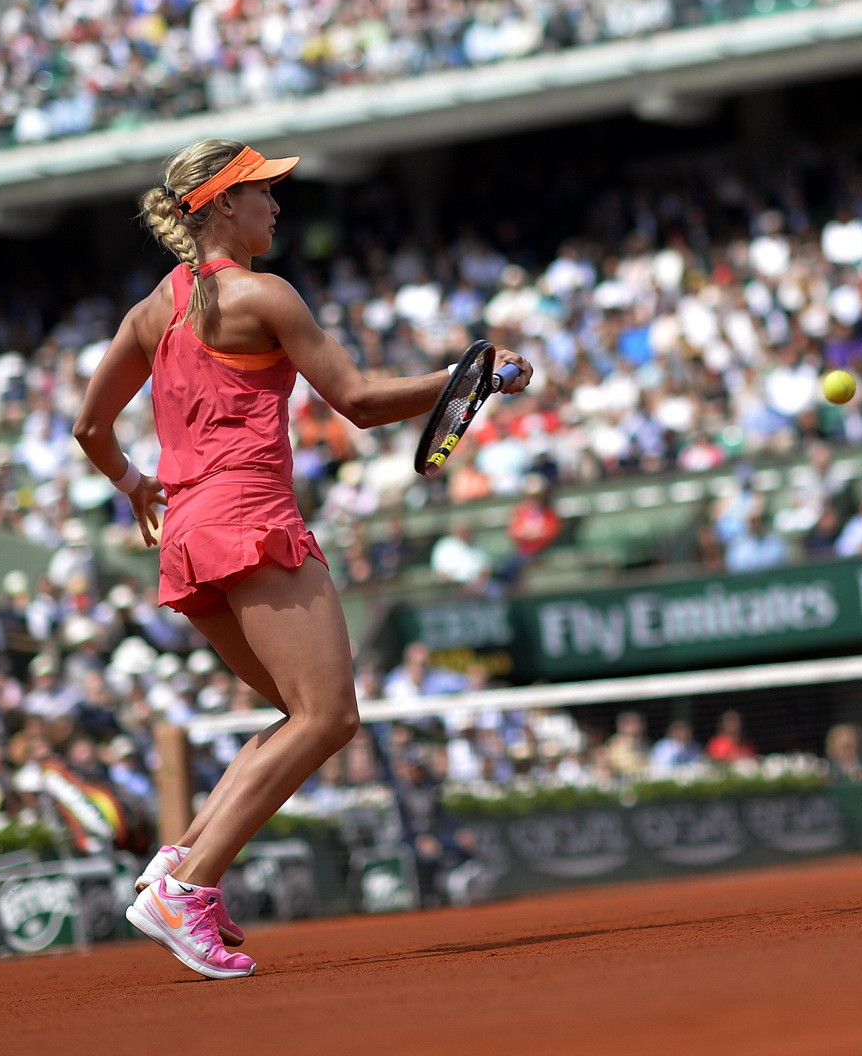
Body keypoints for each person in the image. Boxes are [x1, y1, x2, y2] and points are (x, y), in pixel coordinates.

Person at [73, 137, 532, 978]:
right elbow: (356, 402)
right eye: (261, 193)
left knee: (298, 715)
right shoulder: (264, 295)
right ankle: (191, 885)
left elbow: (89, 429)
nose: (276, 207)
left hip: (187, 534)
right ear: (219, 208)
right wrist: (472, 372)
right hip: (251, 520)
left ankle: (178, 868)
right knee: (328, 718)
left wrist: (135, 483)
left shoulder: (153, 308)